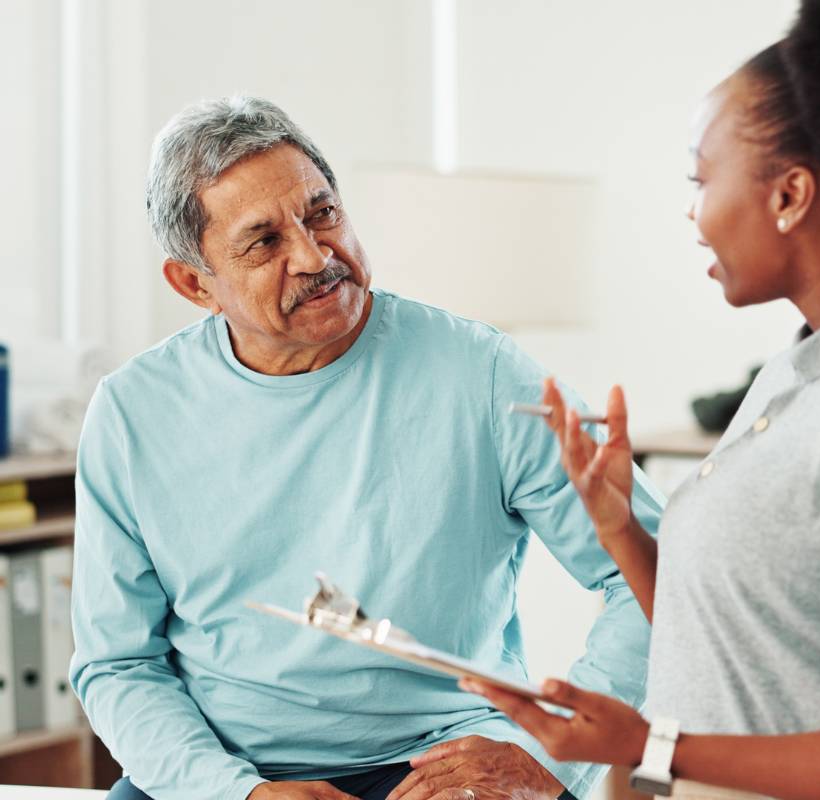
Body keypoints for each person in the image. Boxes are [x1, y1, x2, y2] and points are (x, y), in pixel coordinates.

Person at [459, 2, 820, 799]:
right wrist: (620, 526)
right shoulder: (805, 368)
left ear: (790, 194)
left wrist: (649, 744)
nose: (693, 216)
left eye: (700, 178)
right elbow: (739, 649)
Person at [69, 96, 665, 800]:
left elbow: (655, 585)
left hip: (445, 764)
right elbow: (117, 662)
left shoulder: (481, 370)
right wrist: (233, 792)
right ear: (195, 284)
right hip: (230, 772)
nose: (316, 256)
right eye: (264, 242)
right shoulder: (131, 413)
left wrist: (547, 757)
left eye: (322, 214)